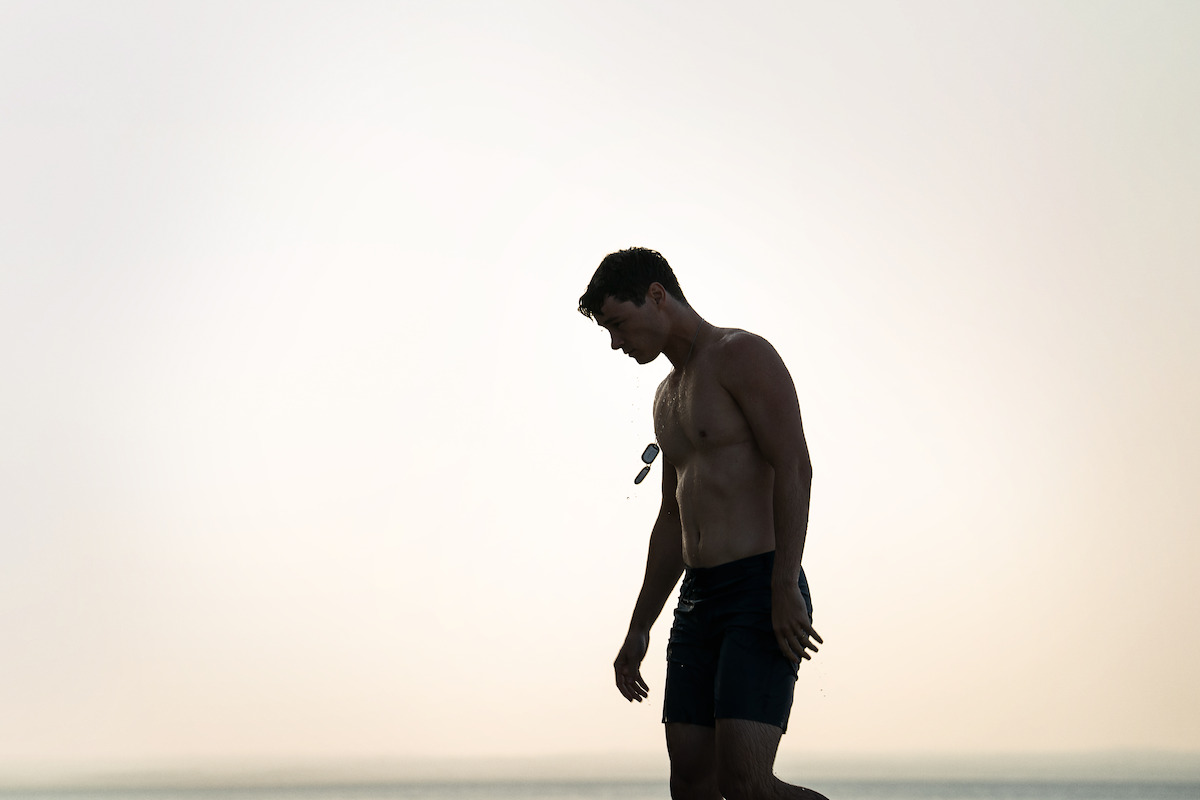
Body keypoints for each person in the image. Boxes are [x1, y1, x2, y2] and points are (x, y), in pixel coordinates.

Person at [578, 247, 829, 800]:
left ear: (657, 296)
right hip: (698, 598)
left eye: (618, 324)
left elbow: (795, 464)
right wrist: (640, 625)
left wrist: (784, 582)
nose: (616, 343)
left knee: (746, 785)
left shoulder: (743, 355)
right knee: (690, 782)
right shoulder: (666, 398)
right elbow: (672, 518)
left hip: (758, 587)